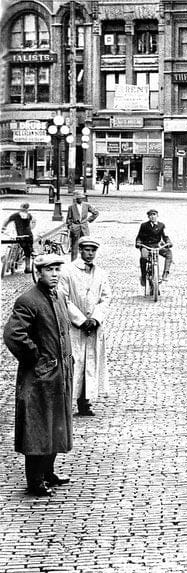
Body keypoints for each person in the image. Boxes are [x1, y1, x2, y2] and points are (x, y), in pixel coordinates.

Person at [3, 254, 74, 496]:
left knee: (56, 424)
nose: (54, 274)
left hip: (59, 375)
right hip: (39, 378)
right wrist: (36, 359)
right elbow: (14, 335)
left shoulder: (58, 296)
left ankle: (48, 472)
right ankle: (35, 481)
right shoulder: (28, 300)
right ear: (38, 272)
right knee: (38, 428)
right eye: (49, 270)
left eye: (57, 269)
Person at [58, 238, 112, 417]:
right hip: (75, 326)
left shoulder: (101, 273)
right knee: (75, 362)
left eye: (93, 251)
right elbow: (63, 298)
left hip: (94, 326)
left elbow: (106, 297)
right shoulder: (67, 271)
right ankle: (68, 401)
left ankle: (85, 402)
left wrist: (96, 318)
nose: (90, 254)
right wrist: (81, 320)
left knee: (91, 362)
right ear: (80, 250)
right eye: (87, 250)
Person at [134, 208, 173, 285]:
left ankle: (165, 274)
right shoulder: (144, 225)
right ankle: (143, 276)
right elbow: (139, 236)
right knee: (143, 257)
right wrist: (138, 243)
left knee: (169, 254)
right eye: (150, 215)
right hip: (146, 246)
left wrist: (168, 242)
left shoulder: (161, 225)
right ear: (148, 217)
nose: (152, 216)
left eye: (154, 214)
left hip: (157, 246)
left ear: (157, 215)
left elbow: (165, 236)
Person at [3, 202, 36, 274]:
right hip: (28, 236)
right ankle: (27, 267)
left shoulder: (15, 215)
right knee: (28, 252)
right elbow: (32, 223)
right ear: (27, 209)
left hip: (19, 236)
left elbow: (6, 220)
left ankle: (10, 259)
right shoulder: (29, 216)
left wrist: (3, 228)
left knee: (16, 244)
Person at [65, 192, 99, 261]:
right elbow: (68, 219)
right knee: (74, 246)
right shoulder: (71, 207)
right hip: (75, 228)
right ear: (76, 199)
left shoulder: (86, 205)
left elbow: (96, 213)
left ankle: (86, 260)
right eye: (78, 198)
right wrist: (71, 226)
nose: (80, 199)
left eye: (81, 198)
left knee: (86, 243)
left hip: (84, 227)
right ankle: (73, 262)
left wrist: (88, 220)